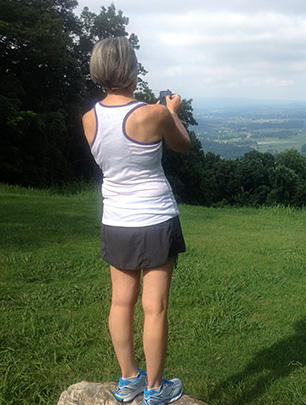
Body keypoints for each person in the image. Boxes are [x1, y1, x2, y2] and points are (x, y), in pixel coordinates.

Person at [82, 37, 191, 405]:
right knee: (154, 307)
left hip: (116, 221)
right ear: (132, 69)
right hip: (156, 219)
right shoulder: (153, 114)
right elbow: (183, 145)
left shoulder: (89, 118)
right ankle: (156, 390)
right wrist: (172, 110)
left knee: (120, 303)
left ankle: (129, 380)